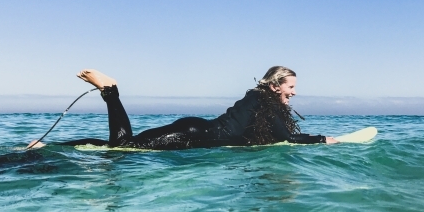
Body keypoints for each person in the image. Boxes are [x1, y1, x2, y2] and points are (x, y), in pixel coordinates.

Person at [29, 66, 338, 150]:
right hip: (192, 135)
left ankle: (50, 145)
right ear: (274, 86)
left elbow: (269, 136)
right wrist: (323, 139)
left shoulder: (257, 99)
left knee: (119, 148)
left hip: (194, 130)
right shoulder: (265, 102)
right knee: (124, 146)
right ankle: (111, 91)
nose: (294, 94)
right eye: (291, 87)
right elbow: (286, 137)